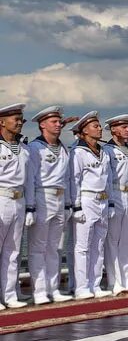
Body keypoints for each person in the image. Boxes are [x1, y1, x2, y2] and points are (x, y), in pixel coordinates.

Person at [69, 112, 118, 300]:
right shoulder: (78, 152)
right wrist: (76, 206)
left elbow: (109, 179)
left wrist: (111, 202)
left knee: (98, 245)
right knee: (83, 246)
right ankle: (81, 286)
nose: (99, 129)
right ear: (84, 131)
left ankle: (94, 283)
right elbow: (74, 180)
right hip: (87, 199)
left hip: (103, 201)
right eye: (95, 126)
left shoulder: (104, 152)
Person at [27, 106, 73, 304]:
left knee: (54, 248)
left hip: (60, 198)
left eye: (59, 121)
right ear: (42, 124)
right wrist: (30, 206)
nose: (58, 125)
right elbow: (30, 179)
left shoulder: (63, 148)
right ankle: (38, 291)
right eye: (53, 122)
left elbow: (68, 178)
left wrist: (69, 204)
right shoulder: (35, 148)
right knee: (38, 247)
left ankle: (53, 289)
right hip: (42, 197)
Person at [0, 103, 34, 308]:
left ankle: (9, 294)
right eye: (16, 120)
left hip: (18, 201)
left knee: (13, 252)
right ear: (2, 122)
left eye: (21, 119)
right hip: (1, 199)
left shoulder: (23, 149)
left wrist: (30, 207)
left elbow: (29, 180)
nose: (20, 123)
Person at [104, 115, 128, 295]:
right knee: (113, 240)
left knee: (127, 240)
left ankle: (126, 279)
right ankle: (113, 280)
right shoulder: (107, 151)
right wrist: (109, 201)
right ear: (114, 130)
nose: (127, 130)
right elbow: (108, 178)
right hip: (115, 193)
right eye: (123, 127)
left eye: (127, 127)